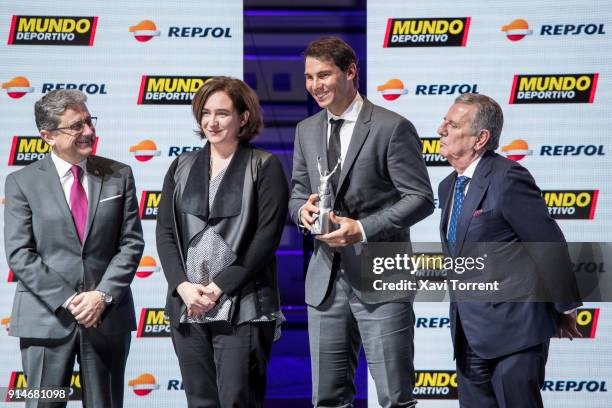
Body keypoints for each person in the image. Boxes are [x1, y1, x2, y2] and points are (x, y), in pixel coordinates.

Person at [289, 37, 434, 407]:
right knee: (328, 399)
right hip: (324, 281)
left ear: (351, 72)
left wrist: (363, 228)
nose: (314, 85)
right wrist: (301, 212)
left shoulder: (392, 126)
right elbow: (297, 192)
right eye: (308, 77)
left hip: (383, 277)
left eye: (324, 75)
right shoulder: (305, 130)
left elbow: (420, 199)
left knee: (395, 398)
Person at [437, 93, 582, 407]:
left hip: (516, 332)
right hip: (468, 334)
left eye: (452, 124)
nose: (440, 130)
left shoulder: (508, 177)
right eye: (444, 122)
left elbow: (547, 242)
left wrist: (565, 308)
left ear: (480, 138)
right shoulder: (448, 186)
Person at [4, 89, 144, 407]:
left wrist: (101, 295)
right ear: (48, 135)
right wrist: (69, 300)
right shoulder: (21, 182)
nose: (89, 132)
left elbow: (131, 242)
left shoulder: (119, 175)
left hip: (106, 317)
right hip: (45, 319)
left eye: (89, 122)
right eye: (76, 126)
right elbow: (20, 254)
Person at [156, 76, 288, 408]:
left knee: (237, 400)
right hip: (188, 305)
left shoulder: (264, 165)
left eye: (223, 114)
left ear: (243, 118)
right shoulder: (181, 166)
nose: (212, 122)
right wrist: (183, 287)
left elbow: (266, 239)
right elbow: (166, 234)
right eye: (206, 113)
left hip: (242, 304)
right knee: (200, 401)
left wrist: (217, 288)